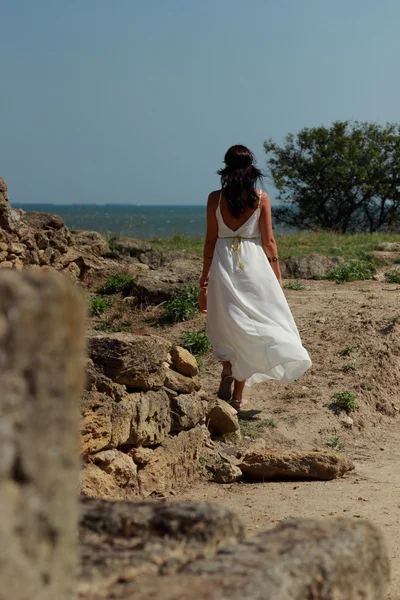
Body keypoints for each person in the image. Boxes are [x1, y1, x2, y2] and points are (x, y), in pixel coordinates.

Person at [199, 144, 311, 410]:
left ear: (225, 168)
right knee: (252, 324)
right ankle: (238, 397)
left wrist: (204, 280)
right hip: (253, 263)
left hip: (224, 263)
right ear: (251, 169)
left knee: (228, 321)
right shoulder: (260, 198)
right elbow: (269, 241)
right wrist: (277, 274)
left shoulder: (215, 198)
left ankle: (228, 368)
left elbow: (210, 241)